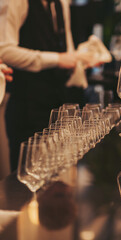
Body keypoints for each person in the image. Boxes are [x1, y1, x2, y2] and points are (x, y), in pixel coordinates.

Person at [0, 0, 93, 171]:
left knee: (60, 179)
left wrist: (81, 61)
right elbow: (4, 50)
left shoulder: (62, 2)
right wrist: (57, 60)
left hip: (61, 102)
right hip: (27, 105)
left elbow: (66, 47)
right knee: (27, 180)